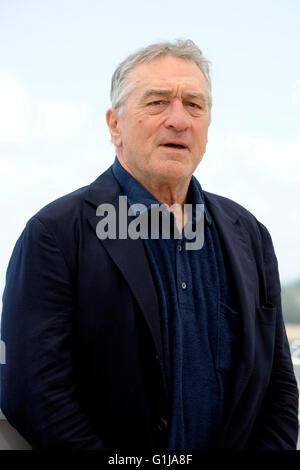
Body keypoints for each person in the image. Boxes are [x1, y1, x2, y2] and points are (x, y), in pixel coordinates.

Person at [0, 39, 298, 451]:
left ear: (207, 127)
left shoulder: (250, 235)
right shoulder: (54, 235)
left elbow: (278, 386)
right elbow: (32, 392)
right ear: (115, 124)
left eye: (194, 105)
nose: (179, 120)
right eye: (157, 102)